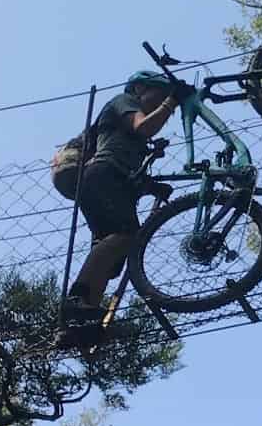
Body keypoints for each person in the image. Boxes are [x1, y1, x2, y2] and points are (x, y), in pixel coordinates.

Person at [54, 70, 184, 344]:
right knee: (125, 235)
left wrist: (151, 186)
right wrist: (172, 102)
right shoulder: (123, 101)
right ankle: (76, 303)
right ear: (139, 88)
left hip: (107, 178)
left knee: (113, 254)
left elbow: (129, 168)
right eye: (158, 95)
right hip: (100, 174)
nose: (161, 104)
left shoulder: (133, 138)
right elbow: (143, 127)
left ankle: (82, 317)